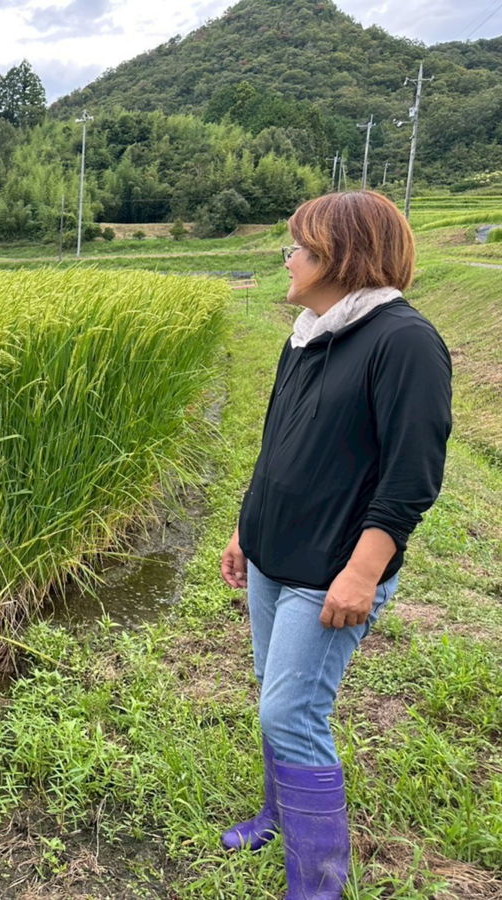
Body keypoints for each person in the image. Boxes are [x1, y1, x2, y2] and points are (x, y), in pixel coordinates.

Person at [218, 190, 452, 898]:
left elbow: (412, 476)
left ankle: (317, 883)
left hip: (330, 569)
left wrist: (363, 572)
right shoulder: (307, 333)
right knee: (274, 697)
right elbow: (276, 446)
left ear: (341, 256)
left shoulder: (403, 342)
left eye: (299, 246)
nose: (287, 257)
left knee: (291, 712)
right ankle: (275, 816)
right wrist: (245, 528)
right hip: (274, 553)